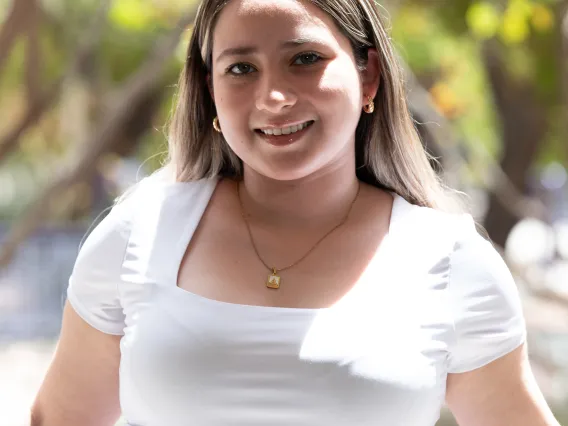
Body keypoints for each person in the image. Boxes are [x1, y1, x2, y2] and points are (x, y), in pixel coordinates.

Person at [31, 0, 561, 425]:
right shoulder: (137, 233)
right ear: (211, 93)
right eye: (240, 68)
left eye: (304, 59)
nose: (274, 96)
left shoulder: (451, 261)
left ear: (368, 76)